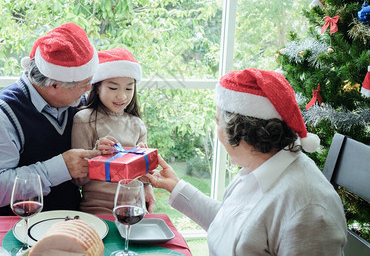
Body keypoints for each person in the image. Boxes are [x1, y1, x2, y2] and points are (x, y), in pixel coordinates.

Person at [145, 68, 348, 255]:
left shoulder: (308, 210)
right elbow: (233, 228)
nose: (217, 133)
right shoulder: (259, 167)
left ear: (240, 130)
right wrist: (177, 187)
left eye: (217, 122)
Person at [0, 23, 101, 216]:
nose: (89, 89)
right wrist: (61, 167)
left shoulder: (77, 104)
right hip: (10, 229)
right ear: (53, 85)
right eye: (83, 84)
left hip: (67, 226)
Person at [71, 47, 156, 214]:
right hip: (97, 210)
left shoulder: (137, 124)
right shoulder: (84, 119)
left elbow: (144, 179)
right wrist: (97, 154)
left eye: (128, 88)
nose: (122, 96)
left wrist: (145, 163)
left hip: (133, 209)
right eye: (113, 88)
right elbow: (78, 180)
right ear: (96, 87)